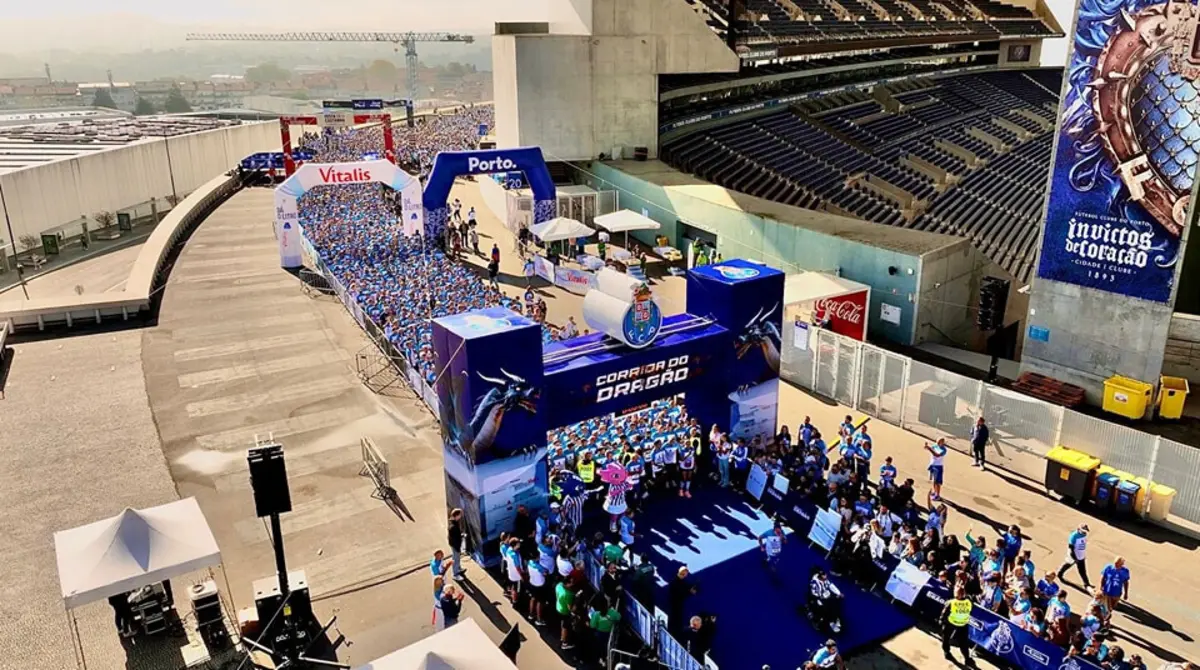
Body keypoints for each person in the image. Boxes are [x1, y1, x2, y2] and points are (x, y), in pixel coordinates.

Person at [942, 585, 976, 667]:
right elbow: (971, 609)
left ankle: (947, 652)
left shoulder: (951, 602)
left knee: (946, 638)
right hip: (963, 624)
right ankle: (967, 658)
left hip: (951, 623)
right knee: (963, 643)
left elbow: (944, 614)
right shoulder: (969, 602)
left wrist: (942, 621)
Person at [1058, 523, 1092, 588]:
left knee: (1082, 571)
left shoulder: (1084, 534)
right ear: (1079, 529)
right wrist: (1075, 558)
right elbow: (1071, 548)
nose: (1084, 533)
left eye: (1085, 531)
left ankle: (1086, 583)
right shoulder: (1074, 536)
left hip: (1081, 555)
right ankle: (1060, 574)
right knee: (1067, 565)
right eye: (1083, 531)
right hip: (1073, 555)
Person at [809, 569, 843, 633]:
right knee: (824, 610)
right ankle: (823, 622)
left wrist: (838, 593)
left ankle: (834, 619)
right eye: (824, 576)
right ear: (820, 577)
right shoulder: (814, 583)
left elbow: (831, 586)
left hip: (826, 596)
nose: (826, 576)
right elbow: (813, 593)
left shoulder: (825, 580)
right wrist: (820, 596)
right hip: (818, 598)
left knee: (834, 604)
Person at [668, 566, 697, 637]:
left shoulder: (678, 581)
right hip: (675, 604)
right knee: (675, 620)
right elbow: (680, 594)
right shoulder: (675, 583)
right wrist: (689, 592)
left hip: (677, 604)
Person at [448, 508, 467, 580]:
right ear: (456, 515)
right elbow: (454, 538)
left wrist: (461, 535)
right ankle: (455, 574)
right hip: (455, 545)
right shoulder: (453, 526)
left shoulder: (453, 522)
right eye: (460, 515)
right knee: (455, 558)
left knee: (457, 558)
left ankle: (458, 569)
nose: (460, 517)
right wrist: (458, 546)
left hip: (455, 544)